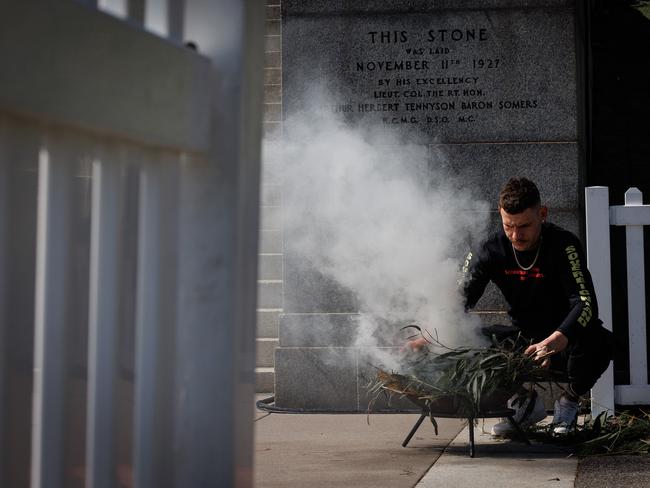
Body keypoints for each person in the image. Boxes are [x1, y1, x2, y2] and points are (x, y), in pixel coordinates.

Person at [408, 177, 613, 435]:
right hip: (522, 342)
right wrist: (430, 334)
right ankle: (525, 404)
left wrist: (556, 340)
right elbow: (459, 299)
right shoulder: (490, 248)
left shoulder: (564, 245)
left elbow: (585, 303)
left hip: (563, 341)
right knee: (468, 340)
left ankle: (568, 402)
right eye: (509, 226)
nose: (516, 235)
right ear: (501, 216)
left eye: (524, 226)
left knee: (599, 340)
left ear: (542, 214)